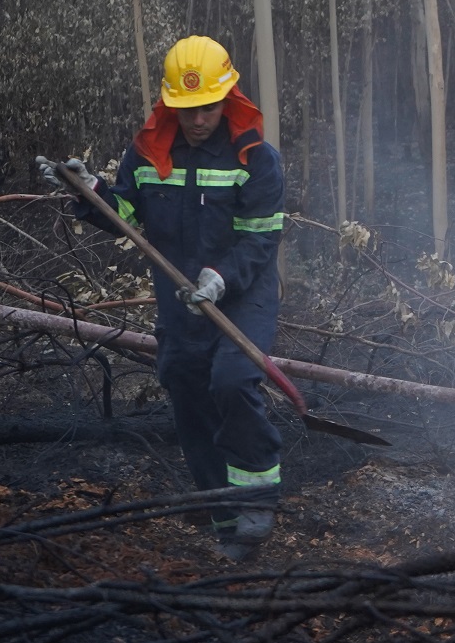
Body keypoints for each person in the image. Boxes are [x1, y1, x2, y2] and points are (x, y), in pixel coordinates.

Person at [38, 35, 286, 561]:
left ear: (228, 99)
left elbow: (261, 239)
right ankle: (225, 522)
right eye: (186, 109)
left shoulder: (255, 159)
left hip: (242, 293)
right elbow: (126, 216)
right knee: (186, 385)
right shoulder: (149, 153)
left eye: (208, 108)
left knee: (235, 379)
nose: (197, 120)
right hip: (178, 297)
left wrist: (221, 277)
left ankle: (259, 500)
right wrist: (92, 193)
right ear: (169, 104)